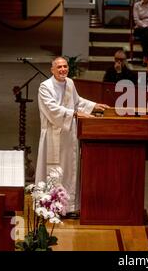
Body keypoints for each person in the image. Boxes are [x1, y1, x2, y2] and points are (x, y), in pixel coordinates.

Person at [36, 57, 110, 215]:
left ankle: (68, 208)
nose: (63, 70)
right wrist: (75, 113)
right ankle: (51, 206)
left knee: (69, 169)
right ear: (52, 70)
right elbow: (51, 110)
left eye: (65, 66)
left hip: (69, 134)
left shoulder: (69, 83)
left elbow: (77, 101)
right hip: (53, 135)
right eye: (59, 67)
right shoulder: (45, 87)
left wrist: (93, 105)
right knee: (54, 171)